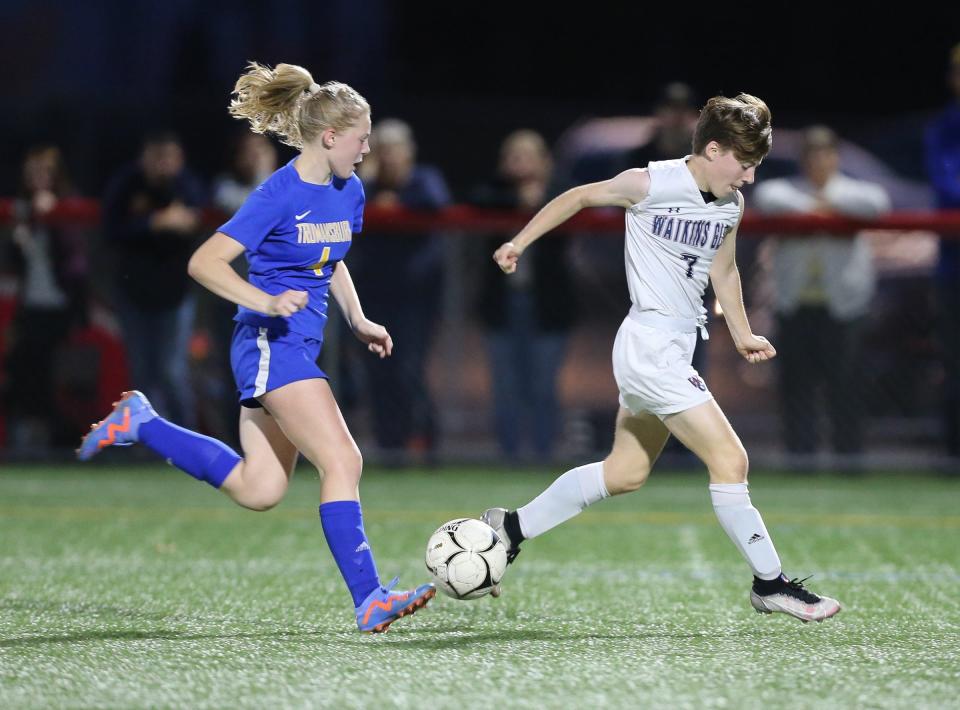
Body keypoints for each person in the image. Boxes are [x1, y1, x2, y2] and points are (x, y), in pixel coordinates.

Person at [78, 62, 435, 632]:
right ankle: (370, 599)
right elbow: (204, 263)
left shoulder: (350, 189)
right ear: (330, 136)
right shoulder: (278, 194)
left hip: (296, 346)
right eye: (363, 137)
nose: (368, 148)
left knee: (260, 489)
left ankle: (142, 421)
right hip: (270, 345)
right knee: (344, 460)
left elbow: (330, 259)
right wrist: (264, 301)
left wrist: (359, 317)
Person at [482, 94, 841, 622]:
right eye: (743, 165)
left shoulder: (729, 203)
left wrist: (741, 333)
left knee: (624, 472)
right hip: (649, 345)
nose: (748, 178)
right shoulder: (650, 183)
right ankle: (771, 583)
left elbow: (725, 271)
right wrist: (518, 241)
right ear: (713, 149)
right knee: (730, 461)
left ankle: (508, 528)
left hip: (675, 346)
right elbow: (579, 197)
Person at [754, 126, 890, 458]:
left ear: (835, 157)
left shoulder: (853, 190)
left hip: (843, 304)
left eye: (825, 153)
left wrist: (823, 203)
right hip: (794, 302)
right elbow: (767, 198)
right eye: (812, 153)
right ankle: (800, 456)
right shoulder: (786, 189)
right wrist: (825, 210)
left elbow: (877, 204)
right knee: (796, 385)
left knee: (845, 384)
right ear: (803, 159)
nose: (819, 160)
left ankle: (849, 457)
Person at [348, 118, 450, 460]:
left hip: (416, 300)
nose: (390, 157)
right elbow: (346, 203)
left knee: (410, 370)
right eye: (383, 150)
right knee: (378, 374)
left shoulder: (423, 179)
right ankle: (389, 446)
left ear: (409, 151)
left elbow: (436, 201)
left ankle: (425, 442)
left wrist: (399, 198)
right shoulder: (368, 184)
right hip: (374, 297)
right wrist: (370, 177)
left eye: (396, 149)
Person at [470, 130, 574, 459]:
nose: (520, 163)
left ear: (545, 161)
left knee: (543, 385)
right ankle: (509, 454)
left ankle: (543, 453)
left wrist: (538, 201)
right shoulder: (494, 193)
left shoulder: (560, 194)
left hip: (548, 306)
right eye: (513, 156)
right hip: (502, 304)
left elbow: (576, 208)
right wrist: (517, 199)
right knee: (505, 385)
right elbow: (478, 200)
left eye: (527, 155)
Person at [102, 131, 205, 428]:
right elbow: (111, 230)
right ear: (144, 157)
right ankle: (149, 443)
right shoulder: (127, 183)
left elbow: (195, 219)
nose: (162, 164)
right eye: (156, 157)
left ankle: (188, 439)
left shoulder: (186, 184)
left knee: (172, 371)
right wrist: (155, 222)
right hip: (133, 292)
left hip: (175, 293)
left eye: (169, 158)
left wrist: (170, 222)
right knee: (142, 374)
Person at [3, 145, 88, 449]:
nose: (37, 179)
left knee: (56, 377)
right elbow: (16, 263)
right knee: (24, 371)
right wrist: (23, 230)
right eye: (31, 173)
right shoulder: (22, 210)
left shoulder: (67, 205)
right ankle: (30, 440)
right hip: (31, 307)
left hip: (61, 308)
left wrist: (52, 216)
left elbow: (75, 259)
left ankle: (59, 442)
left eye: (43, 172)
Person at [925, 42, 960, 457]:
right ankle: (954, 454)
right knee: (954, 363)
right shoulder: (943, 127)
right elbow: (946, 186)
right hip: (955, 267)